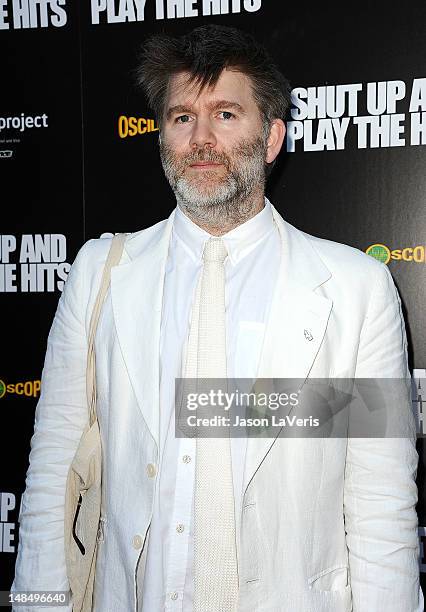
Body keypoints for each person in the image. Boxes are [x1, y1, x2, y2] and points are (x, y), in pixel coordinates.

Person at [12, 24, 423, 612]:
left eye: (226, 114)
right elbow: (53, 475)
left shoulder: (357, 290)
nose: (200, 138)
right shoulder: (99, 272)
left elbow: (381, 506)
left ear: (272, 137)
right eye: (182, 118)